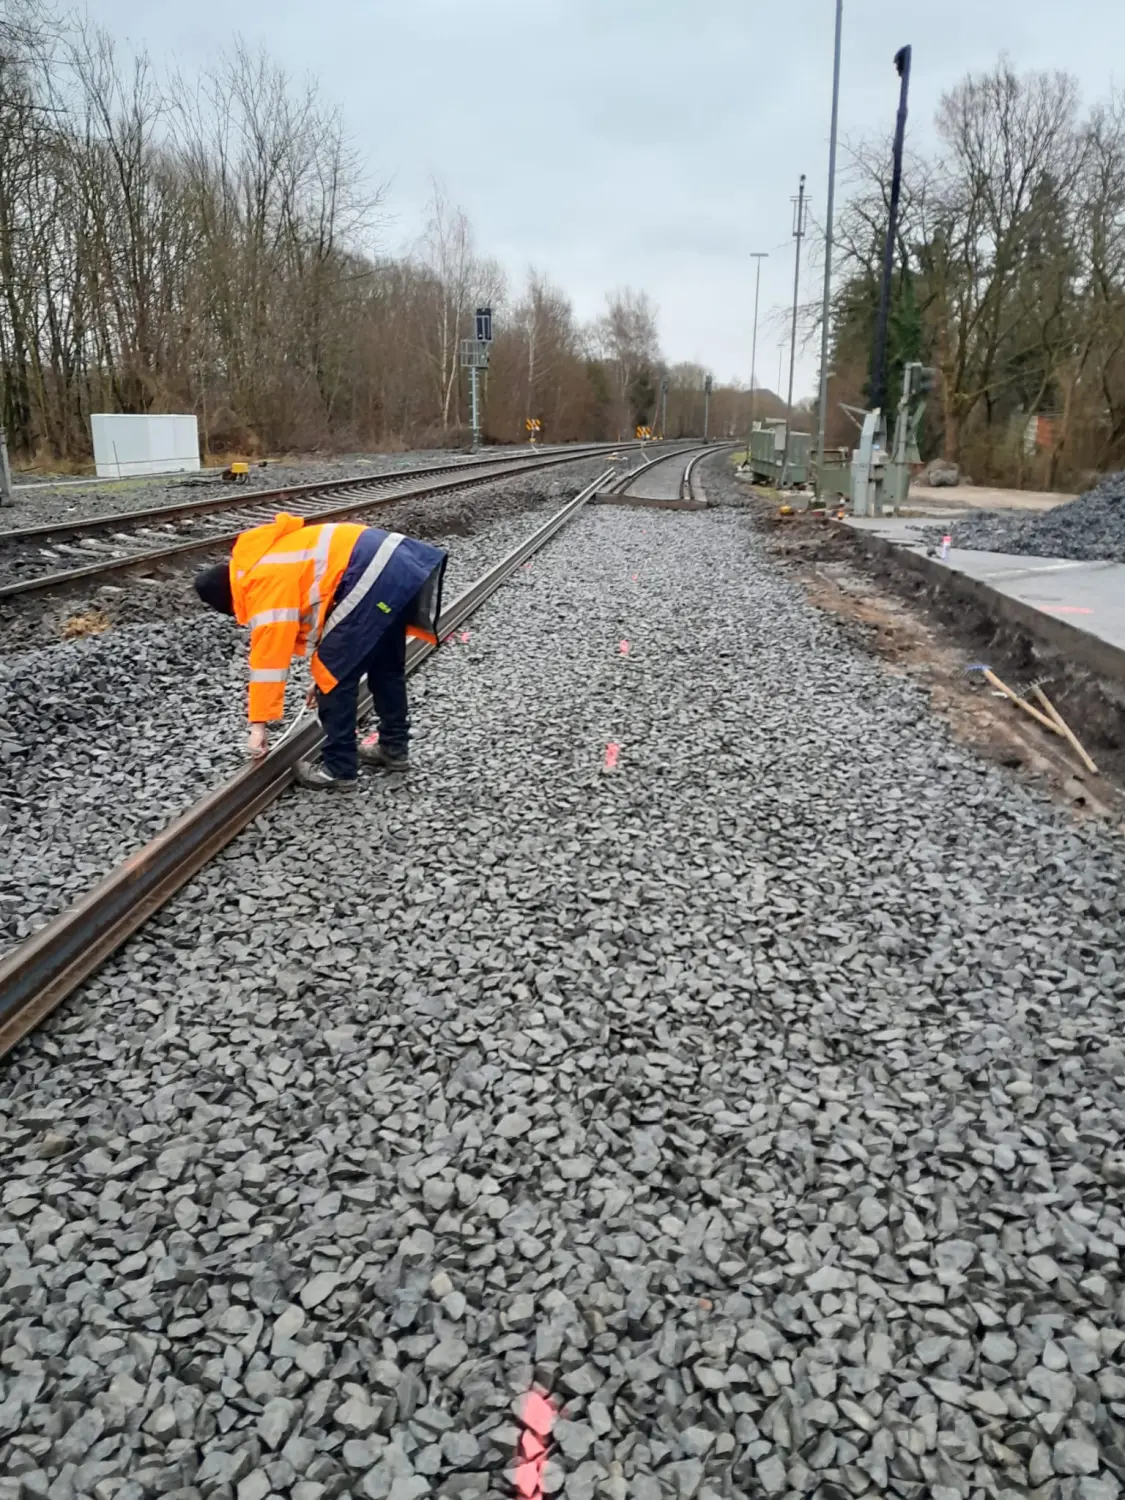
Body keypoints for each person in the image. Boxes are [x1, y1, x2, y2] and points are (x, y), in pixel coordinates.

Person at [194, 512, 447, 791]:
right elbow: (330, 612)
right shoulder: (261, 558)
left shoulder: (262, 586)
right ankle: (394, 748)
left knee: (332, 675)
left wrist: (258, 728)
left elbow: (269, 664)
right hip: (394, 562)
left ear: (229, 599)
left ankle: (338, 769)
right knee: (384, 666)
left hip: (372, 571)